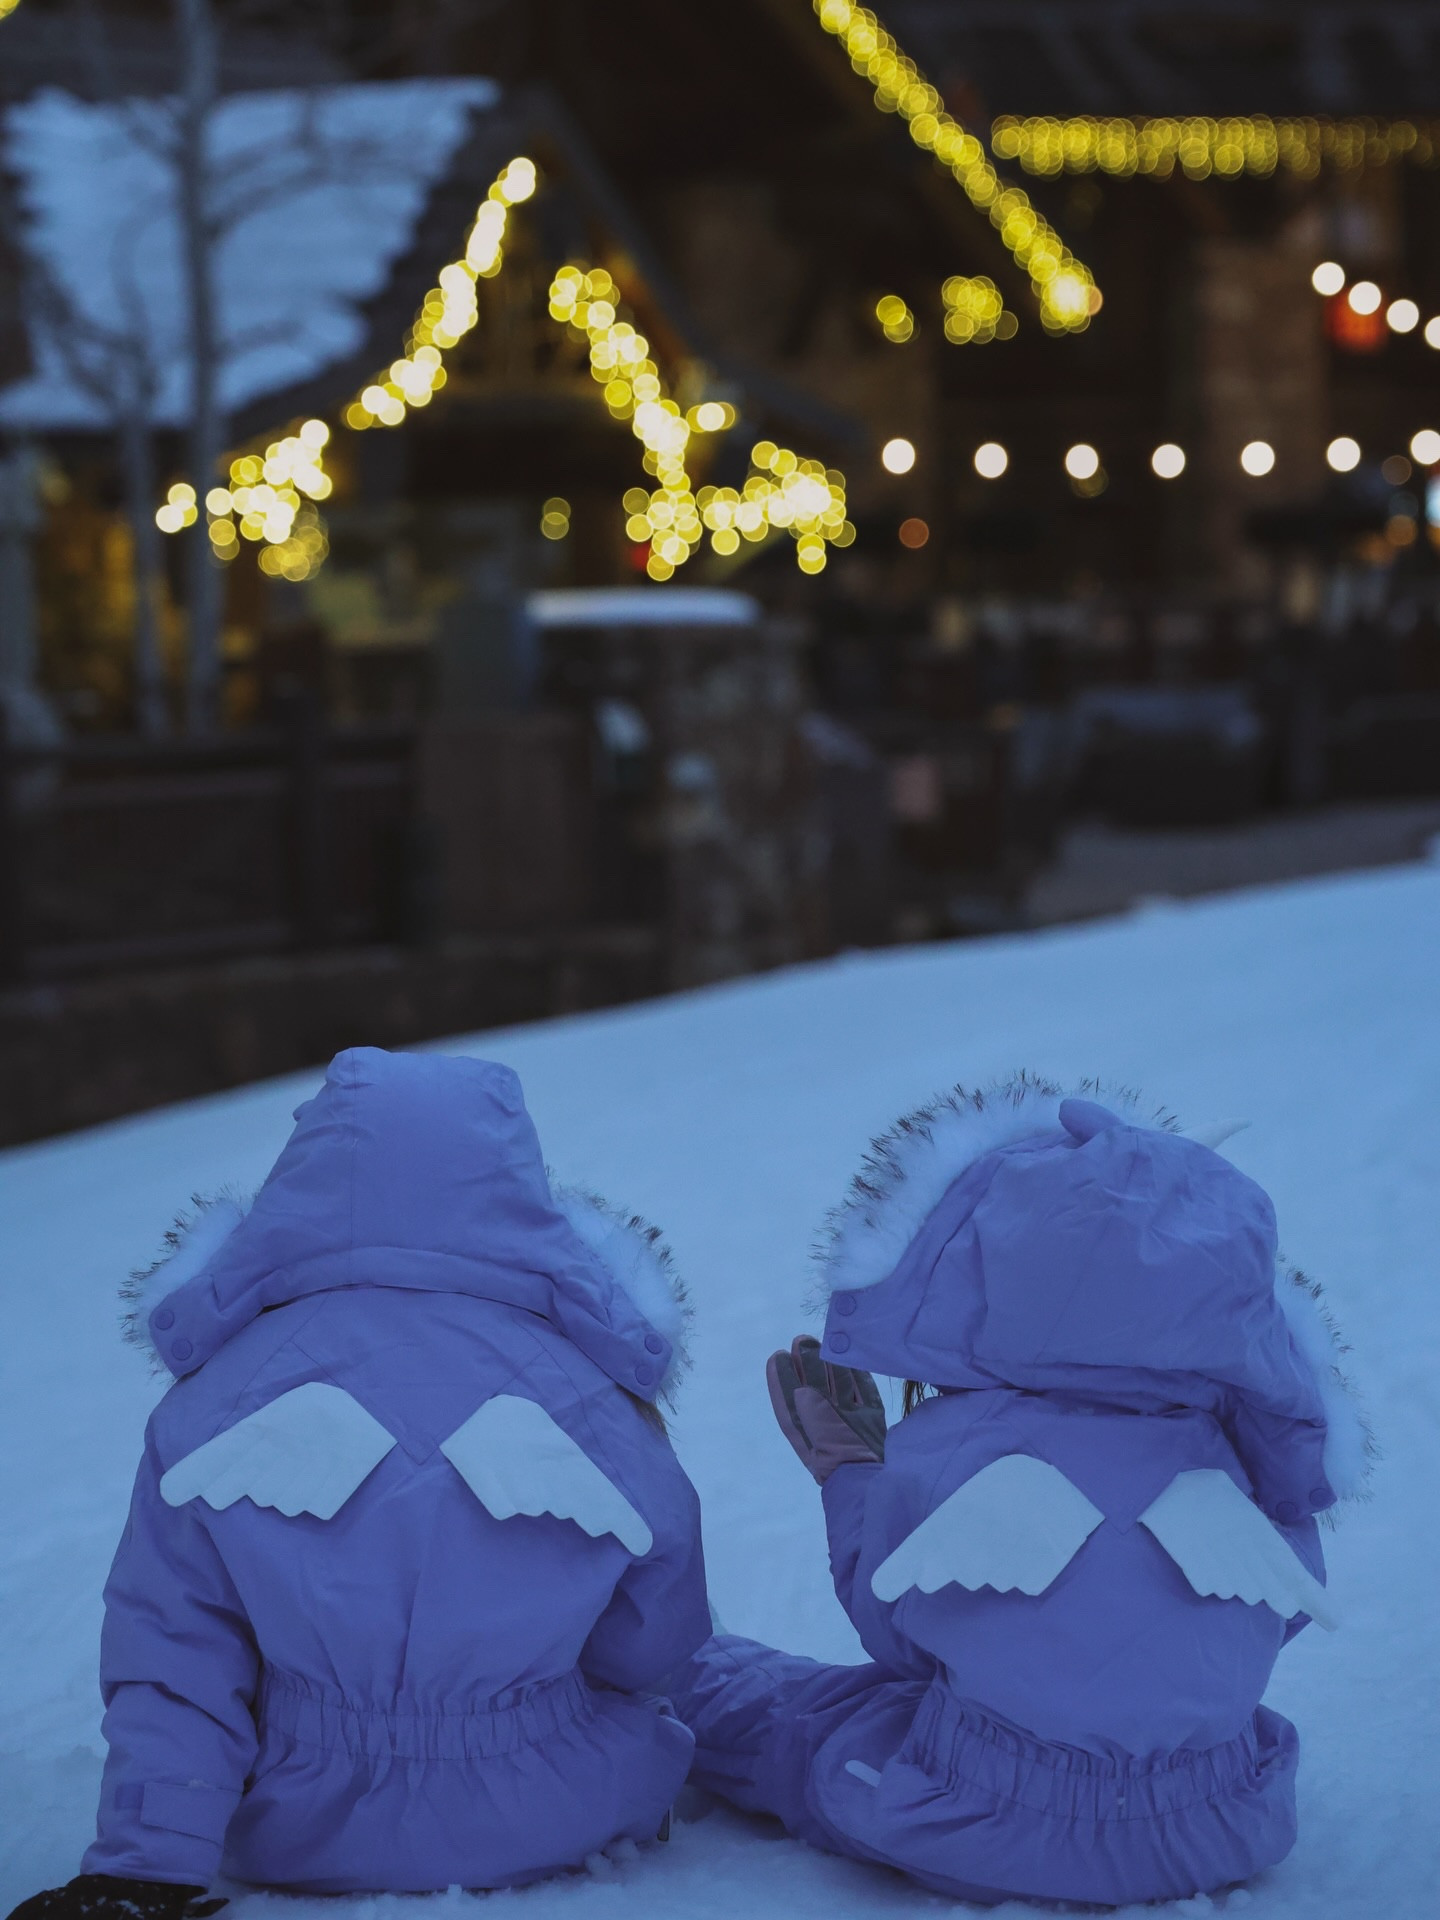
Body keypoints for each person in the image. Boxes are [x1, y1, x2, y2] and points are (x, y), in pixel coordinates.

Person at [9, 1047, 707, 1920]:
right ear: (516, 1193)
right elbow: (655, 1641)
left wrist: (143, 1863)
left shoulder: (219, 1397)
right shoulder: (590, 1397)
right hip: (553, 1809)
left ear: (307, 1179)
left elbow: (174, 1648)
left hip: (295, 1825)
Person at [670, 1075, 1371, 1908]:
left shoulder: (958, 1444)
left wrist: (851, 1472)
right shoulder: (1242, 1462)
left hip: (987, 1822)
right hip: (1217, 1818)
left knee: (821, 1719)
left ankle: (684, 1676)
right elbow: (1277, 1614)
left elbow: (895, 1631)